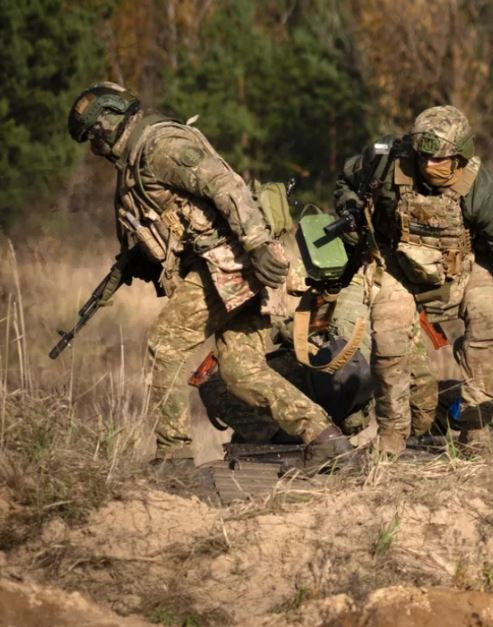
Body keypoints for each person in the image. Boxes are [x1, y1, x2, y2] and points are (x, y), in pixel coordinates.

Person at [67, 82, 359, 472]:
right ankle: (326, 439)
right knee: (240, 372)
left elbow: (226, 185)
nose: (94, 150)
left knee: (165, 345)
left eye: (92, 138)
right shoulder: (139, 160)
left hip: (230, 264)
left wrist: (255, 244)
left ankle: (174, 456)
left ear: (106, 125)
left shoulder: (159, 147)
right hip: (230, 267)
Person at [333, 105, 493, 456]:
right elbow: (344, 182)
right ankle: (393, 433)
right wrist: (349, 206)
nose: (428, 165)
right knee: (388, 332)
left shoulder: (480, 189)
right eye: (422, 156)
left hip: (466, 266)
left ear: (460, 156)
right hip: (399, 264)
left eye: (439, 159)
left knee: (487, 320)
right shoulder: (384, 162)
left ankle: (475, 428)